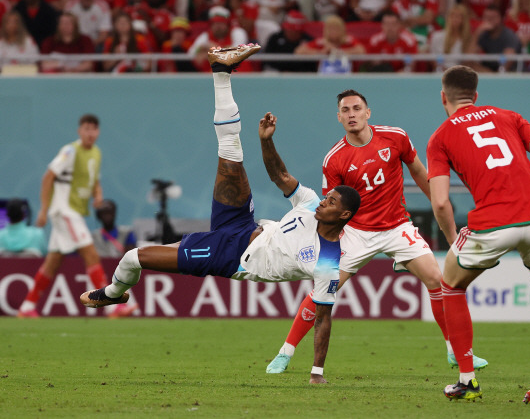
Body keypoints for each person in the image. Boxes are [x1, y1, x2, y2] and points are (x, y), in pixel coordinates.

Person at [80, 44, 361, 385]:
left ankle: (112, 294)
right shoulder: (309, 202)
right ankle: (221, 71)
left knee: (132, 258)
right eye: (325, 197)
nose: (322, 202)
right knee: (230, 148)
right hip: (243, 223)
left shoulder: (328, 261)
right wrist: (267, 141)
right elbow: (280, 177)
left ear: (344, 215)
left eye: (330, 203)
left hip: (230, 256)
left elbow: (322, 317)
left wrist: (316, 372)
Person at [265, 87, 488, 375]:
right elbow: (330, 208)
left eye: (356, 108)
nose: (351, 114)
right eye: (345, 110)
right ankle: (285, 352)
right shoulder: (334, 159)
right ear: (339, 118)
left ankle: (454, 351)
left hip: (397, 226)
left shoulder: (395, 137)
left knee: (437, 278)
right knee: (324, 287)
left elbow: (420, 172)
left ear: (367, 113)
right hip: (356, 232)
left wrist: (437, 202)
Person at [427, 65, 530, 402]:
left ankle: (467, 380)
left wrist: (454, 240)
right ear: (476, 95)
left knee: (450, 288)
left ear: (444, 98)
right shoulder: (509, 116)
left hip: (492, 223)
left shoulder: (440, 137)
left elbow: (440, 202)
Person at [17, 114, 136, 318]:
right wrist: (44, 210)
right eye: (86, 129)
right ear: (79, 131)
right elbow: (48, 177)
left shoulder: (96, 153)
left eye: (94, 129)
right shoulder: (70, 151)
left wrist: (98, 196)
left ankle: (27, 307)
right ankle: (114, 306)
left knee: (53, 261)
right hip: (64, 211)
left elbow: (94, 181)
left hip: (72, 212)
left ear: (98, 132)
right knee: (90, 253)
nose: (90, 133)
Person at [471, 4, 521, 72]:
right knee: (469, 66)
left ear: (500, 18)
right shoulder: (483, 34)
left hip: (507, 73)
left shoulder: (509, 35)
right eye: (486, 17)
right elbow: (468, 57)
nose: (489, 20)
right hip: (488, 71)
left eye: (492, 17)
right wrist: (477, 33)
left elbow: (507, 62)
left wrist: (495, 76)